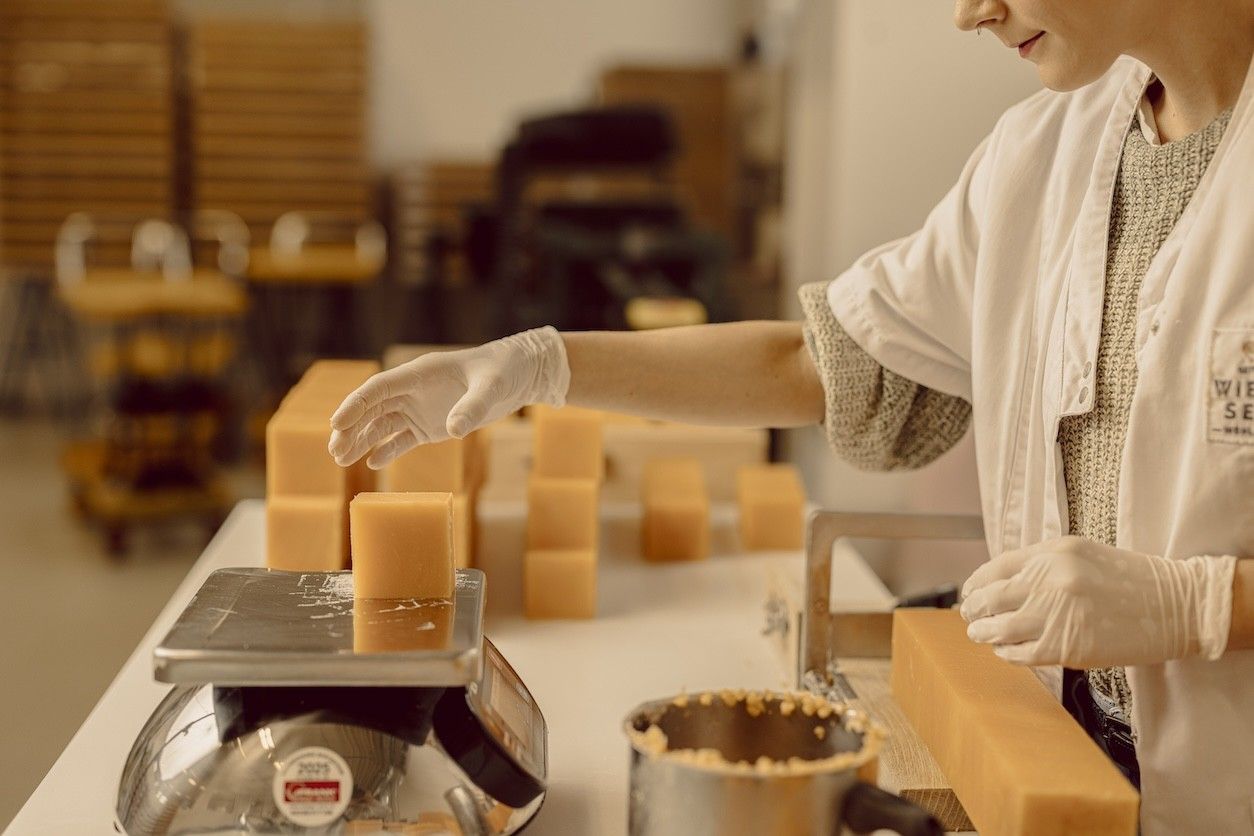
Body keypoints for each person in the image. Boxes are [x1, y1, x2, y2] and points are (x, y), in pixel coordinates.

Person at [329, 1, 1254, 832]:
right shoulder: (1047, 154)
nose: (971, 13)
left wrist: (1202, 607)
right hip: (1066, 774)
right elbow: (817, 360)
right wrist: (545, 362)